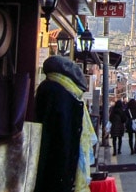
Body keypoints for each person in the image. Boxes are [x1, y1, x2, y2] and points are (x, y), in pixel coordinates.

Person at [34, 56, 97, 192]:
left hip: (47, 171)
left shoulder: (47, 90)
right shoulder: (62, 95)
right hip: (57, 175)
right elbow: (64, 139)